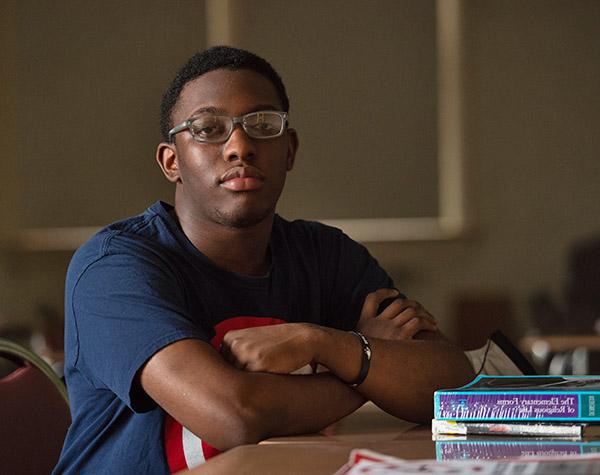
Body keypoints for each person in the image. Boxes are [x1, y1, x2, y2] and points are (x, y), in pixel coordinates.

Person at [53, 46, 474, 474]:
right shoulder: (114, 268)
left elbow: (453, 387)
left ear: (289, 150)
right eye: (207, 128)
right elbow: (234, 416)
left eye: (262, 124)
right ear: (171, 161)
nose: (239, 146)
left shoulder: (326, 255)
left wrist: (322, 343)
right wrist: (366, 368)